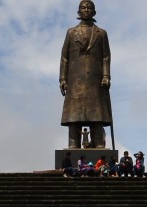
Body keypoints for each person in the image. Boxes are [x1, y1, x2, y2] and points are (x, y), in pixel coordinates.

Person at [59, 0, 112, 149]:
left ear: (94, 12)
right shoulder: (71, 32)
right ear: (78, 12)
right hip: (75, 80)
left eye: (89, 7)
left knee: (96, 114)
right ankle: (73, 144)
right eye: (83, 7)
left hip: (96, 80)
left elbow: (106, 57)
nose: (86, 9)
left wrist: (106, 76)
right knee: (74, 115)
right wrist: (62, 78)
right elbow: (64, 58)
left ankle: (98, 143)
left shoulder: (101, 33)